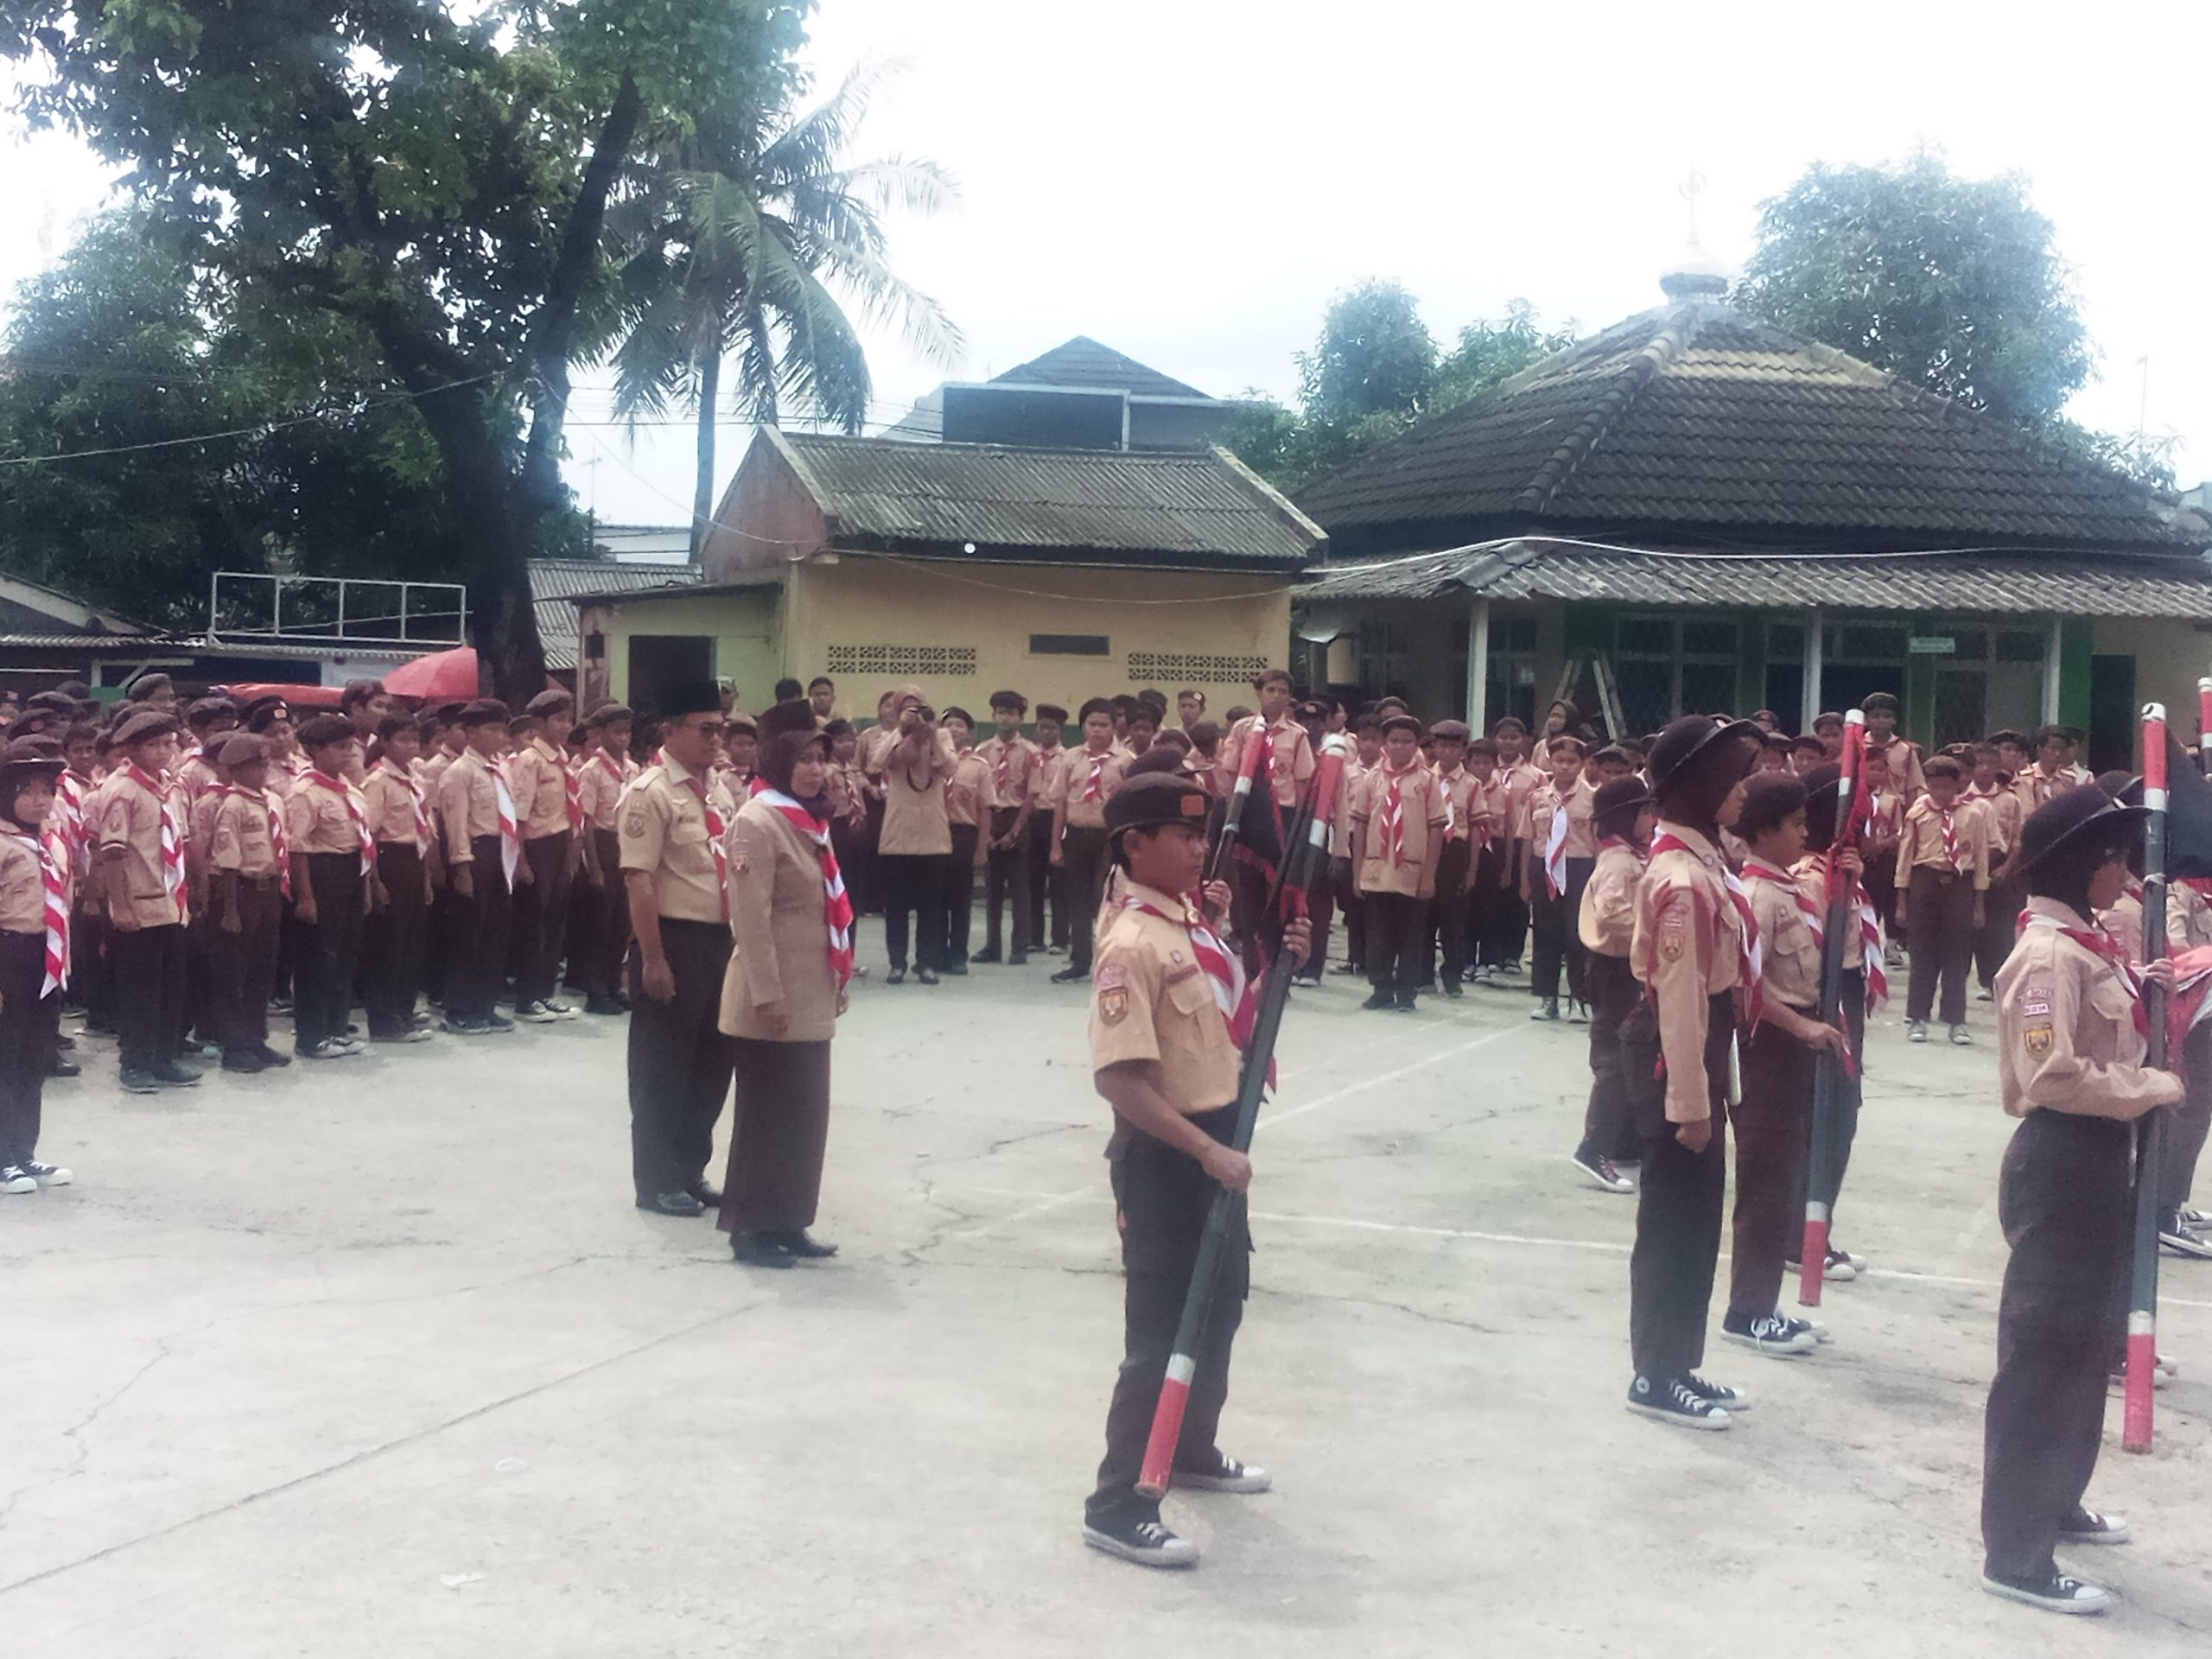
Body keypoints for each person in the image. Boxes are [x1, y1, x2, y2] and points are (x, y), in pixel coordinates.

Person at [1080, 770, 1309, 1570]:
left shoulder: (1184, 926)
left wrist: (1281, 964)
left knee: (1218, 1308)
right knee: (1159, 1338)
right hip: (1166, 1159)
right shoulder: (1130, 945)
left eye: (1199, 832)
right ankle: (1118, 1503)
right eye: (1180, 834)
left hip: (1216, 1143)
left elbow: (1224, 1024)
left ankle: (1189, 1449)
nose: (1196, 847)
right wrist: (1206, 1150)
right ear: (1134, 844)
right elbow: (1120, 1081)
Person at [1979, 785, 2179, 1615]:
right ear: (2080, 864)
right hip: (2063, 1157)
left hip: (2099, 1159)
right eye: (2115, 858)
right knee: (2044, 1353)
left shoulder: (2086, 948)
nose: (2125, 873)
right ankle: (2016, 1552)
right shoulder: (2047, 959)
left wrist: (2148, 984)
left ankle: (2057, 1499)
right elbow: (2047, 1074)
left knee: (2082, 1346)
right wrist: (2149, 1087)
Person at [1624, 715, 1762, 1430]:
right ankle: (1655, 1373)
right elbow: (1679, 999)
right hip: (1678, 1050)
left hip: (1704, 1043)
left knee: (1698, 1219)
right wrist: (1690, 1103)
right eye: (1732, 779)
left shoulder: (1703, 862)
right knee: (1675, 1220)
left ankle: (1680, 1362)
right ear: (1699, 786)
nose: (1742, 791)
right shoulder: (1681, 879)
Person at [715, 699, 853, 1267]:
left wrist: (836, 979)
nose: (816, 770)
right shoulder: (757, 821)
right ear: (778, 761)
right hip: (771, 997)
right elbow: (750, 919)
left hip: (809, 991)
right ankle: (751, 1228)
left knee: (805, 1115)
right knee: (767, 1116)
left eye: (821, 759)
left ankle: (790, 1218)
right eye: (804, 760)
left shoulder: (809, 820)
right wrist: (768, 995)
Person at [1730, 772, 1849, 1357]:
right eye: (1796, 824)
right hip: (1768, 1048)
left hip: (1796, 1047)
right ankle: (1747, 1312)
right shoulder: (1757, 896)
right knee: (1765, 1185)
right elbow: (1744, 988)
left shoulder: (1791, 889)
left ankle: (1764, 1303)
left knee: (1783, 1181)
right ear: (1765, 830)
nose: (1805, 833)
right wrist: (1801, 1026)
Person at [620, 682, 738, 1217]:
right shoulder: (650, 792)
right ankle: (656, 1180)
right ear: (669, 732)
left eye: (721, 729)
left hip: (719, 940)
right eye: (705, 729)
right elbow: (639, 880)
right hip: (674, 938)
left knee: (712, 1065)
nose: (716, 740)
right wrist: (653, 958)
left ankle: (690, 1169)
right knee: (662, 1068)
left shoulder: (717, 790)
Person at [1788, 765, 1876, 1285]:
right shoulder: (1810, 879)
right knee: (1819, 1120)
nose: (1864, 829)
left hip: (1847, 997)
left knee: (1842, 1117)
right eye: (1856, 820)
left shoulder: (1840, 874)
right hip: (1823, 1002)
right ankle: (1798, 1238)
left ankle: (1818, 1232)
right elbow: (1812, 959)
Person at [94, 708, 198, 1094]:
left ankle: (163, 1058)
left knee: (170, 987)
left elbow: (179, 842)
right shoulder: (122, 790)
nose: (163, 752)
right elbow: (112, 853)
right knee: (140, 990)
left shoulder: (168, 787)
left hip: (171, 902)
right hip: (139, 904)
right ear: (132, 749)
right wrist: (120, 906)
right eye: (153, 745)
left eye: (169, 743)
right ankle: (135, 1064)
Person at [1573, 775, 1654, 1194]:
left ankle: (1623, 1143)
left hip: (1629, 967)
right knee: (1615, 1060)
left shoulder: (1632, 856)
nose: (1651, 820)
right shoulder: (1619, 862)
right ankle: (1595, 1148)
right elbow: (1611, 914)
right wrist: (1653, 932)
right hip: (1615, 968)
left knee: (1632, 1055)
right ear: (1624, 818)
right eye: (1644, 813)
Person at [0, 736, 70, 1194]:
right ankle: (2, 1159)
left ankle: (25, 1151)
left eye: (47, 790)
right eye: (28, 791)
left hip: (46, 958)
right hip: (8, 955)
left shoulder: (50, 843)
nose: (40, 800)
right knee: (4, 1058)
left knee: (33, 1058)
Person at [287, 713, 378, 1060]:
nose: (348, 753)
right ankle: (312, 1036)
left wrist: (364, 889)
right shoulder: (305, 792)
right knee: (318, 959)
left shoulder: (348, 789)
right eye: (339, 747)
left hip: (351, 871)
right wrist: (306, 897)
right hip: (322, 873)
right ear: (314, 750)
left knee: (344, 956)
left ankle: (336, 1028)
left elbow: (362, 840)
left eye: (350, 746)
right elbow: (298, 849)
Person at [206, 732, 292, 1075]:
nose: (262, 771)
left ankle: (256, 1038)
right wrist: (230, 910)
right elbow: (227, 860)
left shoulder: (270, 801)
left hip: (268, 889)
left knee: (262, 968)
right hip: (241, 890)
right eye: (254, 766)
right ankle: (235, 1045)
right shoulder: (233, 806)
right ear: (236, 770)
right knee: (235, 972)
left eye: (264, 765)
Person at [1350, 714, 1445, 1013]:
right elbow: (1360, 827)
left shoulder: (1427, 781)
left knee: (1411, 935)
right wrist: (1357, 873)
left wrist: (1429, 876)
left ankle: (1406, 991)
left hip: (1411, 871)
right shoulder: (1371, 779)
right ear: (1384, 744)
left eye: (1406, 741)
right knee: (1378, 935)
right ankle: (1381, 988)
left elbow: (1436, 828)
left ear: (1416, 745)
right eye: (1394, 741)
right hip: (1377, 871)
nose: (1399, 746)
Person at [437, 700, 519, 1037]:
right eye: (491, 729)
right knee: (469, 935)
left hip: (501, 852)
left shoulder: (501, 768)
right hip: (476, 852)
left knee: (495, 934)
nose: (499, 736)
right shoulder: (460, 772)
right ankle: (459, 1010)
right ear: (470, 733)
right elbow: (456, 824)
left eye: (502, 730)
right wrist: (462, 867)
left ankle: (484, 1005)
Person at [1899, 755, 1989, 1046]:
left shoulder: (1973, 814)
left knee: (1957, 956)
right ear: (1927, 784)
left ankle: (1955, 1021)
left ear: (1958, 784)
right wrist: (1901, 900)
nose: (1941, 792)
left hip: (1960, 884)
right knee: (1922, 954)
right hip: (1925, 882)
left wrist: (1979, 904)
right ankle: (1918, 1018)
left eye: (1947, 786)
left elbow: (1981, 860)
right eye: (1935, 786)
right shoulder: (1917, 813)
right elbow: (1905, 858)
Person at [361, 712, 435, 1045]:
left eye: (414, 740)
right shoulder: (378, 781)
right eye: (402, 740)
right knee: (388, 945)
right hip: (389, 860)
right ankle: (384, 1020)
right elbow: (371, 836)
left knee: (411, 943)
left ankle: (404, 1011)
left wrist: (426, 877)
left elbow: (423, 832)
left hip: (414, 860)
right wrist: (375, 881)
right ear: (385, 742)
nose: (410, 747)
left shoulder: (415, 779)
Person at [507, 689, 581, 1022]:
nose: (565, 726)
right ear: (539, 723)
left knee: (555, 923)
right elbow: (520, 816)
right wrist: (521, 860)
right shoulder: (530, 760)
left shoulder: (562, 758)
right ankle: (527, 998)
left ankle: (546, 993)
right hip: (536, 846)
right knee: (533, 924)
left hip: (560, 842)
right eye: (558, 720)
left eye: (568, 719)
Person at [877, 687, 956, 985]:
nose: (914, 714)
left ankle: (927, 963)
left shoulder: (942, 736)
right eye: (907, 709)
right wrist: (902, 731)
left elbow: (950, 769)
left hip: (932, 832)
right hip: (898, 832)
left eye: (918, 707)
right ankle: (897, 963)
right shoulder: (891, 736)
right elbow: (878, 761)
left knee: (930, 905)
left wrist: (931, 735)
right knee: (896, 905)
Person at [1049, 699, 1129, 985]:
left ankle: (1110, 961)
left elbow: (1129, 804)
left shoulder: (1125, 761)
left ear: (1114, 727)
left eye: (1104, 725)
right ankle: (1080, 961)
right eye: (1092, 724)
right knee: (1078, 901)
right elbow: (1060, 804)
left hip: (1109, 838)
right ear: (1083, 727)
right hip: (1077, 835)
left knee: (1105, 899)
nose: (1097, 730)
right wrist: (1056, 845)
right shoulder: (1071, 759)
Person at [569, 702, 637, 1015]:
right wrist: (594, 867)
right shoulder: (592, 771)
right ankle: (595, 990)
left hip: (627, 847)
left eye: (627, 732)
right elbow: (587, 823)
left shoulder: (632, 769)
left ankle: (612, 984)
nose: (623, 739)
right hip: (604, 847)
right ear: (599, 734)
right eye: (616, 732)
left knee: (622, 922)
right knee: (601, 923)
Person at [1524, 735, 1594, 1022]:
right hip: (1545, 868)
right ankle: (1547, 998)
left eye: (1572, 761)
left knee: (1577, 936)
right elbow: (1528, 839)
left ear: (1583, 764)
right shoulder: (1537, 797)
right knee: (1545, 933)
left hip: (1579, 868)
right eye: (1559, 760)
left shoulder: (1592, 798)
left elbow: (1597, 841)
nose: (1565, 766)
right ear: (1549, 761)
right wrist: (1525, 879)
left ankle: (1578, 999)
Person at [973, 690, 1042, 966]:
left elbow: (1032, 794)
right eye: (1000, 713)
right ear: (993, 716)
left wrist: (1015, 831)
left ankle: (1020, 946)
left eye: (1011, 714)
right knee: (993, 889)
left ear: (1021, 719)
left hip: (1017, 817)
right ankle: (992, 945)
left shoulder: (1031, 753)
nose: (1005, 718)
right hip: (991, 816)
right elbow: (978, 794)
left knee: (1019, 888)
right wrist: (986, 832)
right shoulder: (982, 752)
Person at [1425, 720, 1482, 998]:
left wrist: (1472, 870)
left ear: (1463, 750)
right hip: (1428, 850)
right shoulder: (1424, 779)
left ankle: (1452, 976)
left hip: (1456, 852)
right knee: (1424, 917)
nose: (1447, 752)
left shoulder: (1471, 785)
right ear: (1434, 747)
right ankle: (1422, 974)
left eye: (1454, 746)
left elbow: (1475, 829)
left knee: (1453, 919)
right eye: (1442, 746)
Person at [938, 707, 988, 973]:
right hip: (934, 833)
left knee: (959, 898)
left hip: (963, 834)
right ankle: (936, 954)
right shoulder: (933, 761)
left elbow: (985, 809)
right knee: (935, 897)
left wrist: (981, 848)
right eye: (949, 725)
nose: (954, 730)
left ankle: (959, 955)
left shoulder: (979, 766)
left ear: (969, 732)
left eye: (959, 725)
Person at [1028, 702, 1069, 953]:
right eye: (1042, 727)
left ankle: (1060, 939)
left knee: (1059, 883)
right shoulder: (1029, 755)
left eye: (1052, 728)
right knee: (1032, 880)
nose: (1046, 732)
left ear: (1060, 730)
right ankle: (1034, 938)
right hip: (1031, 818)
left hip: (1056, 819)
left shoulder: (1068, 758)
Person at [1861, 693, 1924, 801]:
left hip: (1897, 807)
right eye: (1875, 716)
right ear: (1866, 720)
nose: (1881, 721)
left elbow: (1912, 788)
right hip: (1864, 805)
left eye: (1887, 716)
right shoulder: (1858, 748)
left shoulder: (1906, 751)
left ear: (1894, 720)